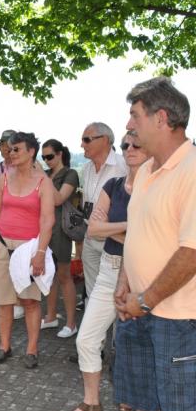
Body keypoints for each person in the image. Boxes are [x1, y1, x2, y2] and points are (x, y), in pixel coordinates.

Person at [98, 78, 196, 411]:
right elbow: (136, 234)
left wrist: (147, 299)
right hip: (137, 305)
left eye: (135, 116)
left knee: (179, 401)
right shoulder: (147, 172)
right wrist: (125, 284)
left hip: (177, 314)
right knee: (143, 390)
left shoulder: (192, 170)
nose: (129, 125)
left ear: (161, 118)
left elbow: (191, 252)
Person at [59, 136, 148, 411]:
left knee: (127, 344)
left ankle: (126, 408)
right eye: (125, 146)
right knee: (86, 339)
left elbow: (155, 237)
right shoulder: (114, 186)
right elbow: (94, 229)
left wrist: (114, 230)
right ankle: (91, 404)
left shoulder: (156, 189)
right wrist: (130, 227)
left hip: (141, 274)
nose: (129, 150)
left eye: (136, 145)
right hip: (110, 269)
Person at [0, 132, 55, 369]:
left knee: (30, 301)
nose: (11, 153)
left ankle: (32, 350)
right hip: (1, 245)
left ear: (31, 152)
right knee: (4, 300)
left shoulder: (43, 182)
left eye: (17, 149)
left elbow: (47, 220)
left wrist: (40, 253)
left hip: (28, 249)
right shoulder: (3, 178)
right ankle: (4, 346)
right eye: (10, 149)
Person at [79, 123, 126, 301]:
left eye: (86, 140)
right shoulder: (87, 168)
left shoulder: (123, 166)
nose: (82, 144)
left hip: (114, 240)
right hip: (90, 237)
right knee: (92, 293)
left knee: (115, 294)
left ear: (105, 140)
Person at [40, 139, 80, 338]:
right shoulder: (47, 174)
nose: (46, 161)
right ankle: (50, 316)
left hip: (61, 231)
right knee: (49, 275)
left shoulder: (70, 174)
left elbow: (59, 199)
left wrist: (42, 177)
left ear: (59, 154)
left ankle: (71, 323)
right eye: (43, 157)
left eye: (49, 156)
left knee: (64, 276)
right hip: (45, 229)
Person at [0, 129, 25, 322]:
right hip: (4, 221)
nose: (6, 149)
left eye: (10, 146)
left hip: (22, 222)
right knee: (6, 263)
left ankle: (21, 301)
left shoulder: (25, 166)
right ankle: (11, 301)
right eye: (3, 145)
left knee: (20, 262)